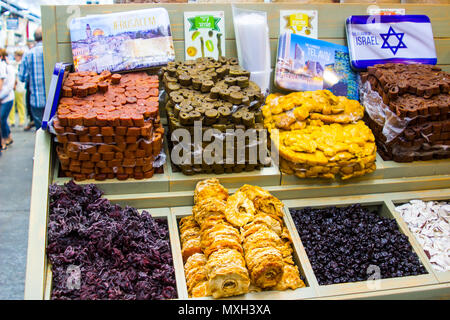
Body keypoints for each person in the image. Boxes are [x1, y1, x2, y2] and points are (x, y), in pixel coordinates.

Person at [19, 27, 46, 130]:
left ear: (35, 38)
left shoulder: (28, 54)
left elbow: (21, 77)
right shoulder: (51, 50)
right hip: (54, 99)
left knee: (41, 131)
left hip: (36, 99)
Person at [0, 48, 16, 150]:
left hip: (7, 99)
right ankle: (9, 136)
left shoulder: (8, 68)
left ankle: (4, 140)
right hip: (3, 98)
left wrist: (0, 96)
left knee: (1, 119)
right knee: (3, 119)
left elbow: (9, 86)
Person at [8, 50, 26, 127]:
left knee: (20, 103)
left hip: (20, 86)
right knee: (12, 104)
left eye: (16, 55)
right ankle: (12, 121)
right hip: (12, 86)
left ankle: (21, 120)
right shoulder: (12, 63)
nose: (15, 57)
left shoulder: (21, 64)